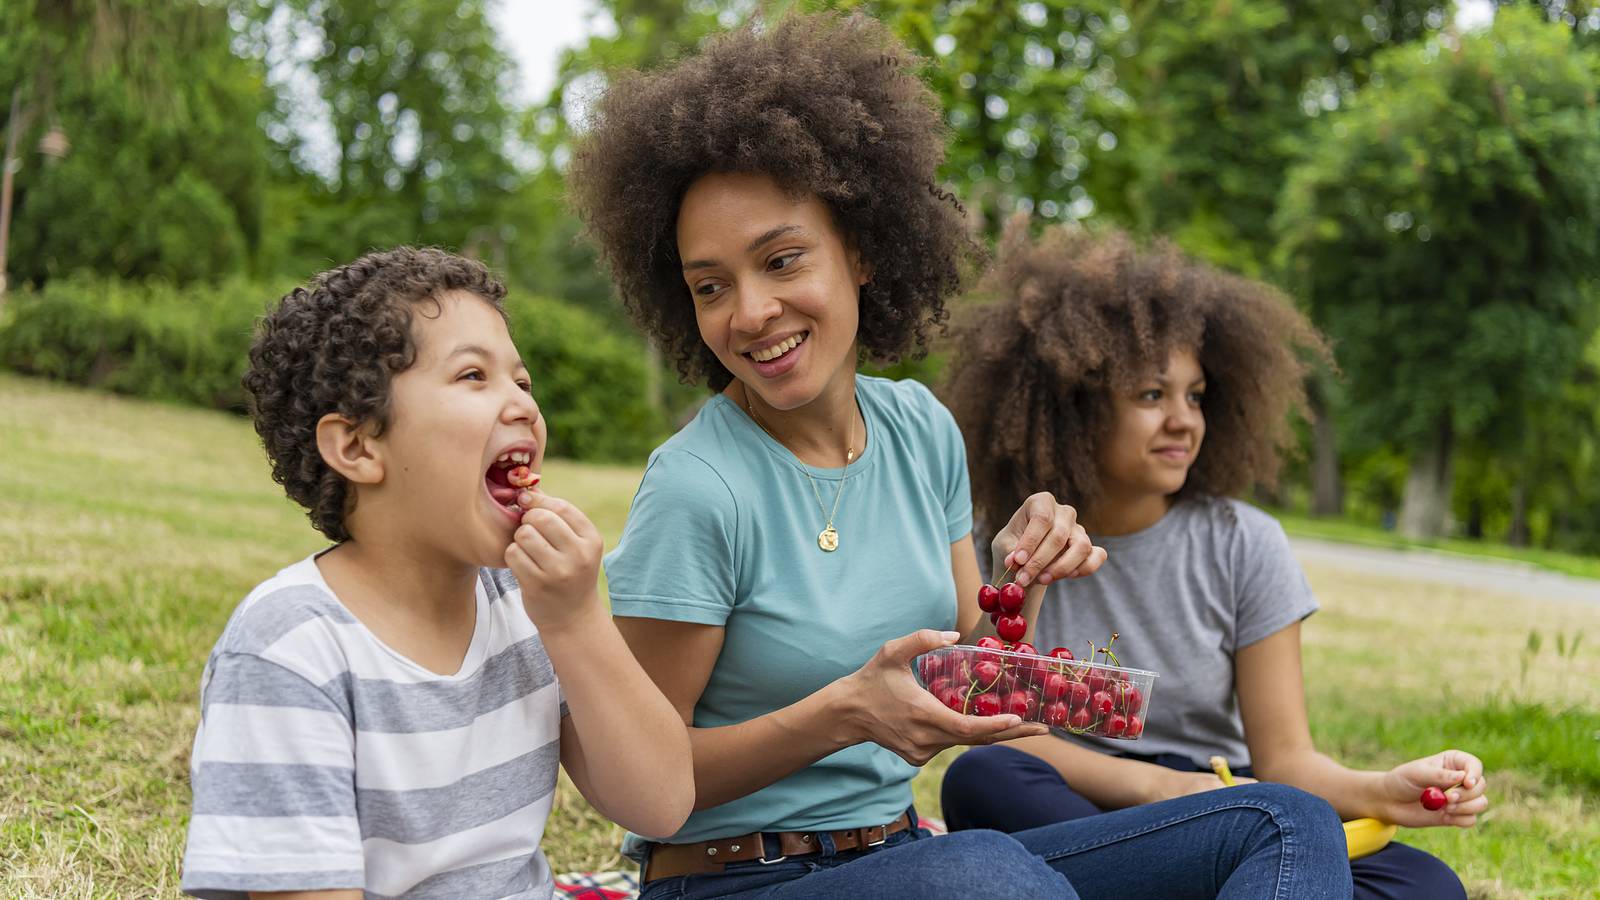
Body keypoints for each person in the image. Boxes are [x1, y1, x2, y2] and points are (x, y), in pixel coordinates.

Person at [569, 13, 1352, 899]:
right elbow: (634, 781)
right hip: (736, 880)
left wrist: (1020, 586)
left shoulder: (919, 430)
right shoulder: (698, 489)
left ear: (861, 252)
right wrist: (839, 715)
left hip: (905, 857)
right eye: (711, 286)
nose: (749, 312)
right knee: (989, 877)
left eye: (782, 261)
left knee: (1286, 823)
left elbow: (970, 676)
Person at [938, 223, 1488, 900]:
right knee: (984, 779)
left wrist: (1384, 790)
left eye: (1195, 395)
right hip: (1079, 806)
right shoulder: (1013, 536)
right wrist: (1163, 791)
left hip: (1230, 812)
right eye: (1151, 395)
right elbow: (989, 729)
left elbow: (1285, 758)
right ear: (1072, 405)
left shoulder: (1244, 543)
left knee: (1422, 885)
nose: (1184, 420)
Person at [179, 248, 693, 899]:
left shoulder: (523, 603)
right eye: (474, 376)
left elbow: (661, 803)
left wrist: (578, 618)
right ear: (360, 446)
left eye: (523, 382)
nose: (522, 405)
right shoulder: (289, 651)